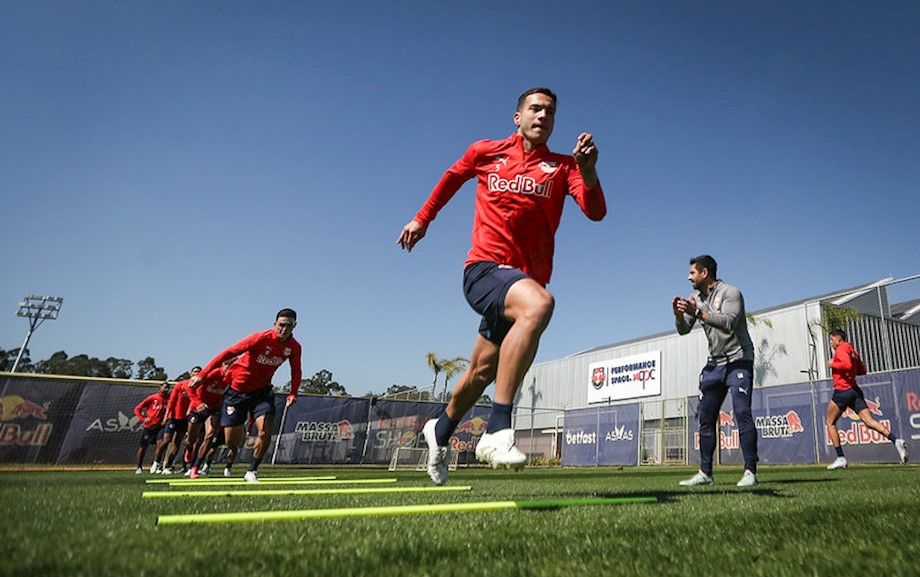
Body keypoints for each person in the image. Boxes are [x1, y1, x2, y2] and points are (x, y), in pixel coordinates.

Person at [397, 87, 607, 485]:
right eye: (535, 108)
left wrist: (590, 169)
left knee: (479, 371)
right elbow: (451, 179)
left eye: (550, 112)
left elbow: (596, 213)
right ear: (518, 117)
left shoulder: (564, 168)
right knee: (539, 306)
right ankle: (497, 429)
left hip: (522, 283)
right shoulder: (486, 152)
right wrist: (422, 220)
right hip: (484, 270)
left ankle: (439, 429)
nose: (543, 116)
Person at [672, 255, 758, 487]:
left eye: (692, 273)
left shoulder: (731, 292)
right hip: (714, 364)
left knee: (742, 412)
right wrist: (679, 316)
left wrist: (698, 312)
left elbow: (729, 322)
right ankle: (706, 473)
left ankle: (750, 471)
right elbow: (683, 331)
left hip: (739, 360)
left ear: (704, 273)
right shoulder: (695, 299)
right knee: (706, 418)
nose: (688, 277)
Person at [190, 309, 301, 482]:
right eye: (281, 325)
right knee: (231, 443)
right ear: (274, 324)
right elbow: (227, 353)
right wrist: (202, 375)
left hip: (262, 393)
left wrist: (293, 392)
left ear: (295, 326)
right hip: (236, 393)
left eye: (288, 325)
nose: (284, 329)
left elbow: (296, 370)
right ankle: (240, 429)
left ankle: (252, 470)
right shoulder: (259, 338)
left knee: (266, 430)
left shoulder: (294, 347)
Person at [825, 329, 908, 469]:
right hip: (854, 391)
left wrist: (833, 364)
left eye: (831, 340)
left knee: (830, 422)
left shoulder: (841, 349)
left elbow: (847, 365)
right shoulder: (853, 351)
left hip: (843, 391)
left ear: (838, 339)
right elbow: (862, 370)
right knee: (870, 421)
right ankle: (896, 441)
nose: (831, 343)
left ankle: (840, 458)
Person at [186, 360, 234, 479]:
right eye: (228, 366)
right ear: (223, 365)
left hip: (215, 409)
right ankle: (188, 450)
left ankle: (195, 467)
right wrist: (198, 403)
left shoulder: (233, 378)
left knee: (210, 436)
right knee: (191, 440)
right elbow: (190, 388)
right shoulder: (212, 374)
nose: (230, 370)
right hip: (198, 408)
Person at [160, 369, 195, 474]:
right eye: (195, 371)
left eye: (199, 371)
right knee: (166, 440)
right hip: (173, 417)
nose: (196, 373)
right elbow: (172, 401)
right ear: (191, 374)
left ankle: (168, 465)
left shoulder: (198, 387)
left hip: (185, 419)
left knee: (177, 443)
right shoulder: (181, 385)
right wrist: (167, 415)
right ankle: (157, 462)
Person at [133, 382, 171, 474]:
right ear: (160, 388)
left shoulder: (169, 399)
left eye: (168, 388)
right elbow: (137, 408)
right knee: (143, 446)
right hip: (149, 427)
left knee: (160, 444)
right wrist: (143, 418)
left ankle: (156, 465)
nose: (166, 389)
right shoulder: (153, 398)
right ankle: (139, 466)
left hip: (161, 426)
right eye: (164, 387)